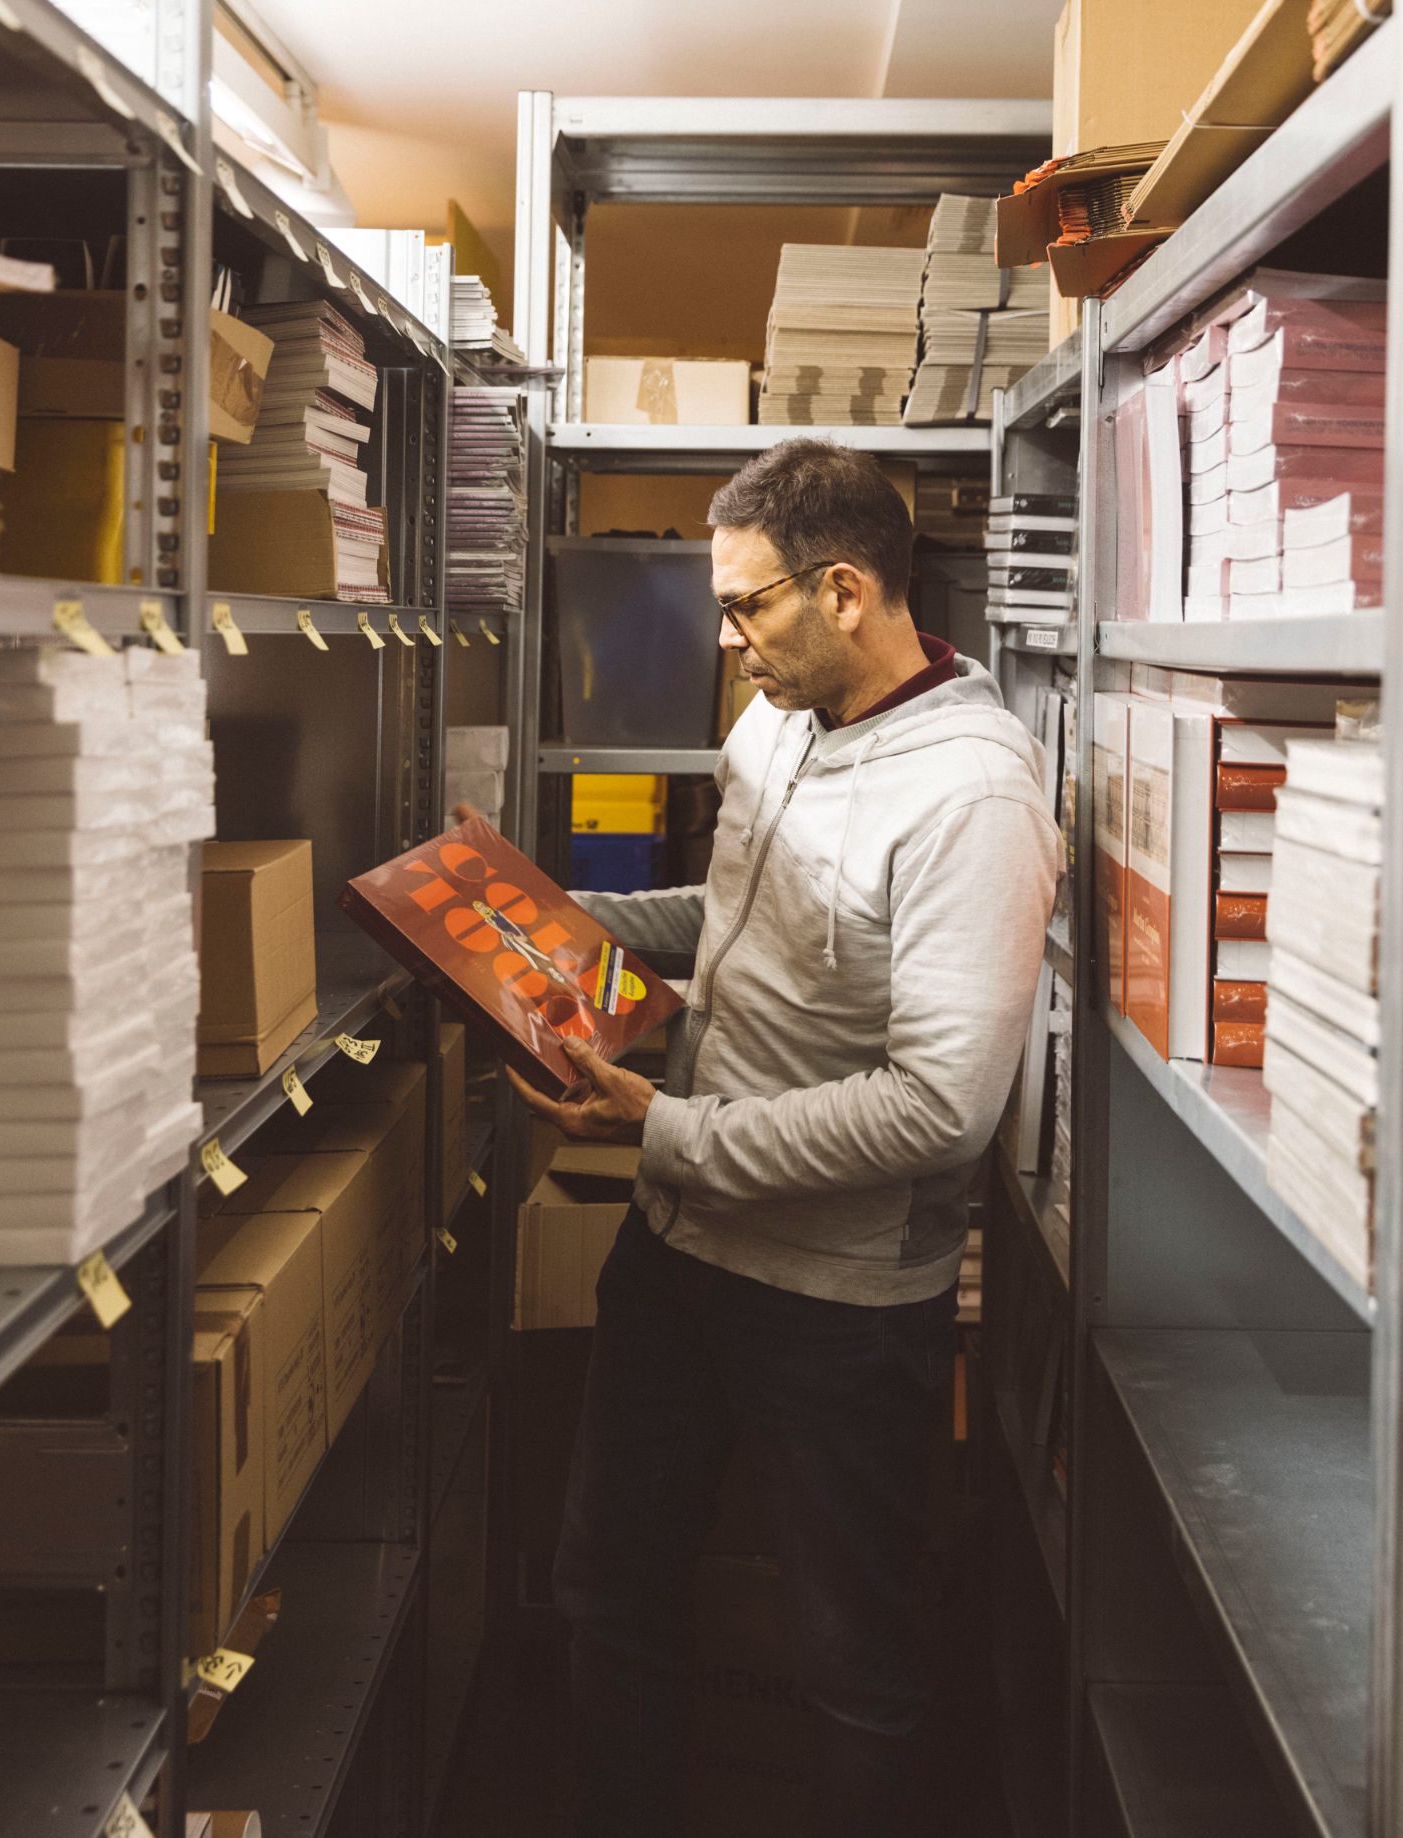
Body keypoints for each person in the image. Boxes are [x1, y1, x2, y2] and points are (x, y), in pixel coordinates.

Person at [506, 437, 1060, 1838]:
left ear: (850, 591)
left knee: (851, 1664)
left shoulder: (973, 798)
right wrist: (534, 914)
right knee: (607, 1587)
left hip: (839, 1309)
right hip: (682, 1248)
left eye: (751, 605)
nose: (728, 634)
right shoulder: (776, 723)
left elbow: (941, 1105)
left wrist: (667, 1125)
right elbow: (728, 922)